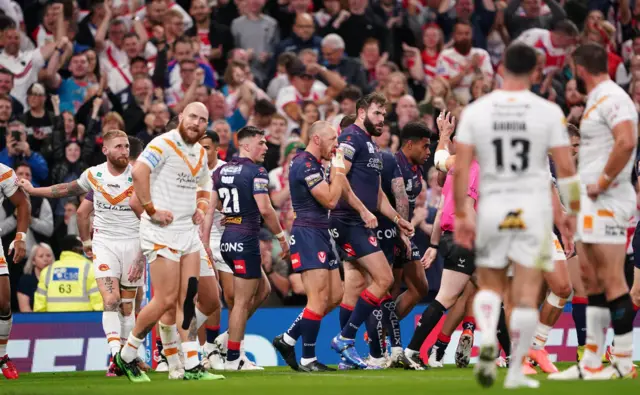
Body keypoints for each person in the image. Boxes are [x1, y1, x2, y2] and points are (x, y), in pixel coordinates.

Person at [453, 43, 578, 389]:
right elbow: (566, 170)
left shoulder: (478, 110)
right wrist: (574, 211)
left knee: (493, 286)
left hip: (494, 207)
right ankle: (517, 365)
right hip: (532, 210)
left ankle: (492, 343)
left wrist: (463, 212)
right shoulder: (548, 111)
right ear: (536, 73)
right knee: (524, 293)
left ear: (502, 68)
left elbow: (461, 166)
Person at [18, 130, 146, 377]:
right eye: (118, 146)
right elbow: (64, 190)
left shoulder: (139, 176)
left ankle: (127, 357)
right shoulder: (94, 175)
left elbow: (148, 218)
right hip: (105, 244)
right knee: (111, 301)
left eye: (127, 146)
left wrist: (141, 256)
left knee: (128, 308)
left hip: (133, 244)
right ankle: (115, 356)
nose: (124, 151)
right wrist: (33, 191)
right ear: (105, 150)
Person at [116, 102, 223, 382]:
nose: (196, 123)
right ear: (181, 118)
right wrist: (151, 210)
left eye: (202, 119)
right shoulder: (162, 144)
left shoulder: (199, 152)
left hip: (187, 232)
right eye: (192, 117)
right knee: (164, 299)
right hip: (160, 232)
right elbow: (139, 172)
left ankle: (190, 364)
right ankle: (126, 355)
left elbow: (205, 184)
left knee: (188, 298)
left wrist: (200, 208)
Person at [550, 43, 638, 380]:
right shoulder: (595, 101)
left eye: (574, 69)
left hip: (609, 202)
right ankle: (590, 362)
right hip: (590, 206)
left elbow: (626, 141)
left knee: (612, 280)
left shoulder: (614, 98)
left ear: (582, 68)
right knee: (588, 279)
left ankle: (624, 361)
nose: (573, 74)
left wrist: (601, 182)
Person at [329, 92, 414, 369]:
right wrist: (363, 211)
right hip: (349, 220)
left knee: (353, 287)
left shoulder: (371, 145)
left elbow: (377, 193)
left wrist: (397, 218)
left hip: (360, 221)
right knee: (384, 278)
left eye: (384, 115)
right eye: (377, 113)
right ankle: (346, 338)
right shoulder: (349, 139)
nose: (382, 119)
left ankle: (346, 357)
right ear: (362, 113)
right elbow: (338, 178)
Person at [211, 125, 289, 370]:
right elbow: (266, 209)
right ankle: (234, 358)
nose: (266, 148)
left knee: (263, 290)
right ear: (245, 145)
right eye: (261, 143)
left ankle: (227, 339)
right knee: (242, 302)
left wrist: (228, 218)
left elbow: (213, 207)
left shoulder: (221, 170)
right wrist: (281, 236)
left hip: (227, 239)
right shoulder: (256, 171)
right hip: (245, 240)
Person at [272, 121, 346, 372]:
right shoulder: (305, 163)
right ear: (317, 139)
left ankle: (289, 338)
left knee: (336, 295)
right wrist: (338, 168)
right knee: (318, 298)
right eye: (332, 140)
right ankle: (307, 358)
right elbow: (330, 199)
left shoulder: (314, 164)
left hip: (322, 233)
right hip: (309, 234)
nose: (336, 146)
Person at [200, 131, 233, 370]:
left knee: (237, 297)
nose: (203, 153)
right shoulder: (189, 171)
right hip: (198, 239)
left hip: (227, 238)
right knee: (211, 298)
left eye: (207, 148)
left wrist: (230, 213)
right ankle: (207, 349)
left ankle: (225, 343)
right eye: (199, 147)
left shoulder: (227, 171)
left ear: (216, 150)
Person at [0, 161, 29, 380]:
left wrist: (20, 238)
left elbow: (22, 203)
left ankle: (1, 355)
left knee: (4, 302)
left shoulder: (2, 171)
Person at [33, 235, 102, 313]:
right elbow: (98, 301)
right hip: (83, 322)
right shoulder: (90, 268)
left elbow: (39, 304)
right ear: (76, 249)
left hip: (53, 322)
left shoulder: (47, 271)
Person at [17, 243, 54, 312]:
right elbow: (25, 309)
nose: (45, 259)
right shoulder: (25, 280)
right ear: (33, 261)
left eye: (48, 256)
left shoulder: (57, 278)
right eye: (41, 256)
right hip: (34, 321)